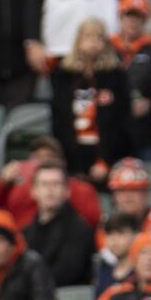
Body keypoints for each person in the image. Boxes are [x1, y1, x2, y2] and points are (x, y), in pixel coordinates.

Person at [49, 18, 132, 186]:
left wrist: (106, 160)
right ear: (78, 41)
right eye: (87, 37)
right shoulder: (63, 74)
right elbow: (59, 118)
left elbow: (122, 121)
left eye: (98, 38)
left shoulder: (116, 75)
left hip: (108, 157)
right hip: (72, 157)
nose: (92, 43)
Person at [0, 136, 102, 230]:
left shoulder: (79, 189)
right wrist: (1, 183)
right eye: (37, 157)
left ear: (62, 163)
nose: (42, 162)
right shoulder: (15, 188)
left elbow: (92, 223)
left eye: (49, 156)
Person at [24, 0, 139, 70]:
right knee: (64, 95)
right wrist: (33, 41)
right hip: (60, 42)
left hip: (105, 42)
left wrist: (127, 34)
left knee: (106, 95)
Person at [22, 161, 97, 286]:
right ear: (33, 191)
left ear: (67, 191)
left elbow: (66, 275)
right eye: (44, 184)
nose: (50, 189)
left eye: (56, 184)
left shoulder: (80, 231)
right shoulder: (25, 232)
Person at [112, 0, 151, 158]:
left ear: (145, 20)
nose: (132, 21)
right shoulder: (108, 48)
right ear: (120, 17)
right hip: (113, 128)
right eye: (128, 15)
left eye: (138, 17)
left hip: (147, 129)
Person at [93, 211, 139, 296]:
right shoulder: (104, 273)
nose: (114, 239)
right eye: (109, 234)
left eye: (121, 233)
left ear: (136, 236)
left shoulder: (142, 274)